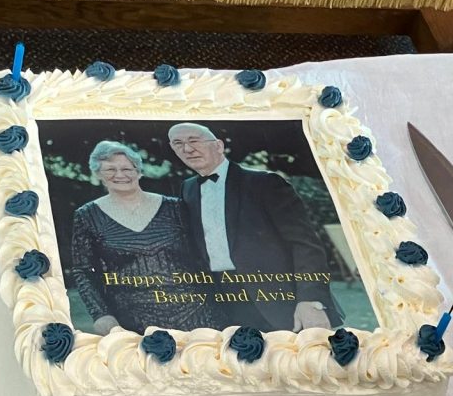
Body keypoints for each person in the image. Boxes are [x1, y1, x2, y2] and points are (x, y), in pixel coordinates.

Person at [168, 122, 343, 332]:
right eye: (178, 144)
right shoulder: (187, 189)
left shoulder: (266, 183)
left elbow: (305, 244)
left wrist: (310, 300)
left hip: (278, 300)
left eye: (194, 141)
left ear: (219, 146)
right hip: (223, 303)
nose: (187, 149)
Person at [69, 140, 221, 334]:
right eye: (110, 170)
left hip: (197, 312)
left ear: (139, 172)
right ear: (98, 174)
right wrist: (101, 314)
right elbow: (83, 270)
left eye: (127, 168)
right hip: (133, 321)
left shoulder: (176, 207)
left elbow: (206, 253)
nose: (120, 175)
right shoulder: (86, 215)